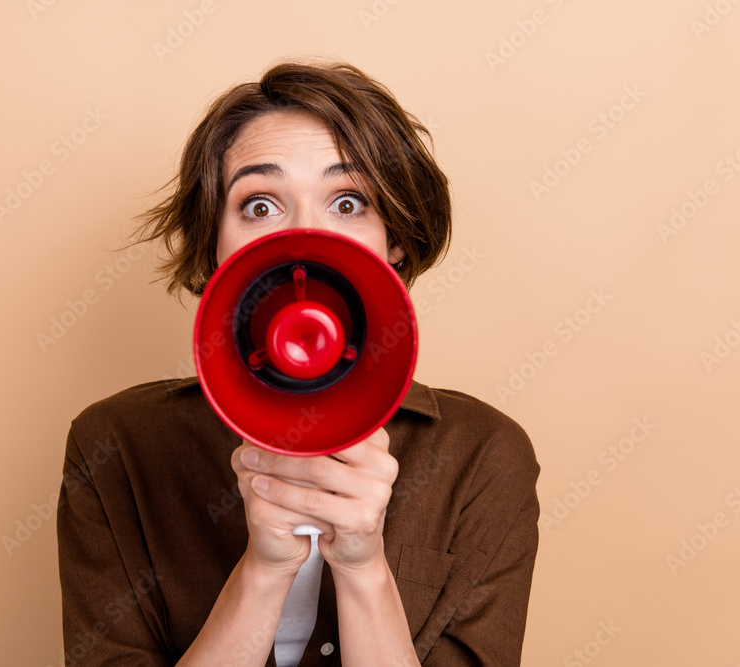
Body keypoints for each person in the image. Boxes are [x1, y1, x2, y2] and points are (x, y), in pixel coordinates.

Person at [56, 60, 540, 667]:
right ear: (214, 242)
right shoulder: (116, 447)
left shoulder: (484, 457)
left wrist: (363, 568)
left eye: (348, 201)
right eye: (260, 206)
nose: (307, 234)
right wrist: (264, 569)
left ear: (393, 239)